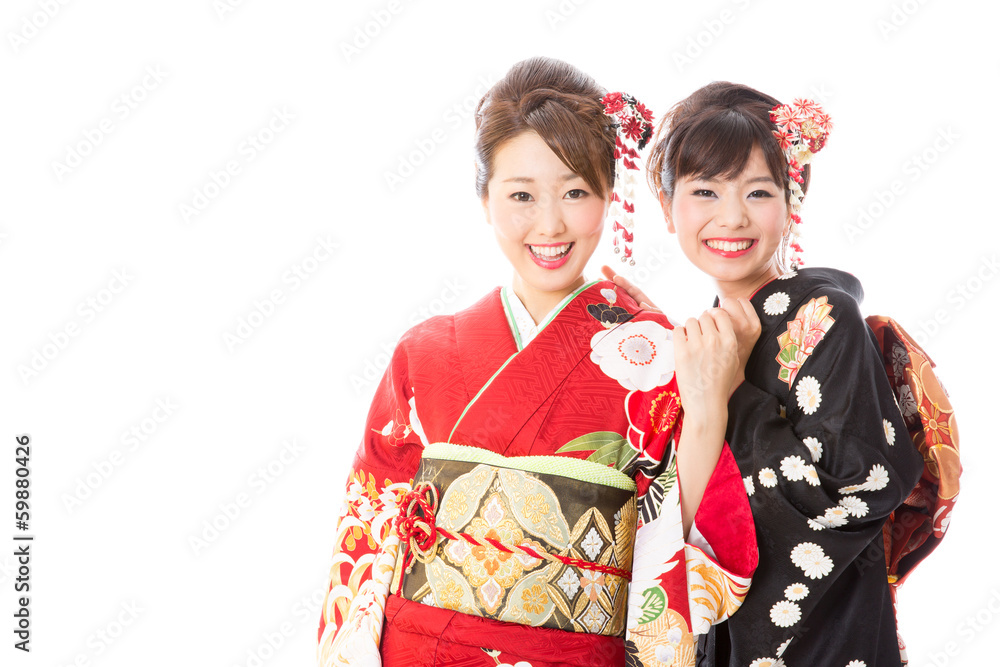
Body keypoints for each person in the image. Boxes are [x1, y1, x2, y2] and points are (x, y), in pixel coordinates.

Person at [317, 59, 759, 667]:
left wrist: (706, 407)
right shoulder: (423, 353)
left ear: (610, 196)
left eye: (575, 192)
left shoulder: (657, 357)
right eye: (521, 195)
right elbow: (366, 537)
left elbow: (690, 548)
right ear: (484, 200)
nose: (549, 223)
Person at [605, 82, 954, 666]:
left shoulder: (824, 318)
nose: (732, 216)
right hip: (728, 636)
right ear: (668, 208)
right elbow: (676, 513)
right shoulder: (711, 333)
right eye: (705, 191)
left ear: (793, 199)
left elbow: (864, 484)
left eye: (758, 191)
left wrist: (733, 396)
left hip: (823, 635)